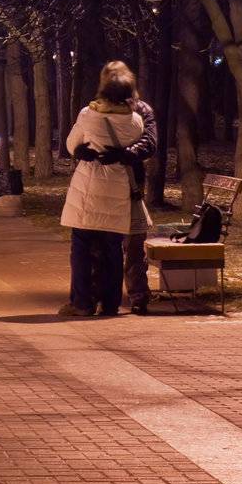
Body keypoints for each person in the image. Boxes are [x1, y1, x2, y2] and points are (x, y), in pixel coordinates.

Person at [59, 66, 147, 317]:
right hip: (117, 188)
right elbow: (138, 142)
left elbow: (71, 143)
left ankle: (82, 302)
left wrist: (81, 151)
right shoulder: (135, 121)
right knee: (113, 249)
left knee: (81, 249)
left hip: (89, 186)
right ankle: (110, 304)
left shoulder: (89, 115)